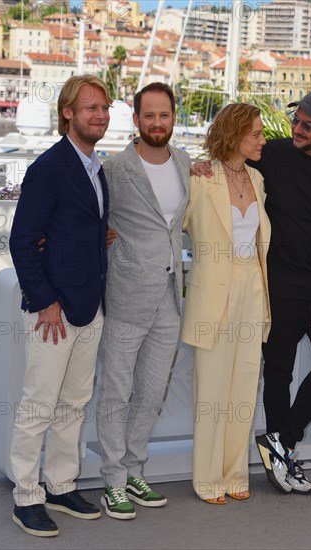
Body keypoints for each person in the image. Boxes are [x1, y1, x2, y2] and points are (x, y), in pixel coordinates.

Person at [193, 91, 311, 495]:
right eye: (296, 120)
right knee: (278, 373)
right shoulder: (271, 152)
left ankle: (282, 440)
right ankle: (283, 457)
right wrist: (193, 164)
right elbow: (224, 156)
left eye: (308, 125)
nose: (297, 129)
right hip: (275, 288)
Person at [9, 74, 111, 537]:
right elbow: (23, 240)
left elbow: (77, 224)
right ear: (67, 112)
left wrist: (97, 236)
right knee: (39, 405)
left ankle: (60, 483)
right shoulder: (49, 167)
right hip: (54, 309)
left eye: (104, 107)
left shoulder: (96, 167)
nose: (100, 115)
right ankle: (26, 496)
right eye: (90, 107)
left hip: (90, 304)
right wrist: (45, 301)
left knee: (74, 403)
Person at [96, 82, 190, 520]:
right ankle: (113, 480)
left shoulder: (188, 164)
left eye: (164, 115)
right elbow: (90, 217)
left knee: (151, 393)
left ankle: (134, 469)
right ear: (135, 119)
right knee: (116, 391)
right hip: (127, 295)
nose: (157, 123)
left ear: (174, 117)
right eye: (148, 115)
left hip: (170, 299)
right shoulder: (114, 168)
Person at [181, 103, 270, 504]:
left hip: (253, 286)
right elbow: (164, 216)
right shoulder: (199, 178)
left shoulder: (258, 179)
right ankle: (207, 479)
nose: (262, 139)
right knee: (212, 391)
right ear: (234, 135)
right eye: (255, 133)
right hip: (212, 292)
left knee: (244, 387)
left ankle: (236, 475)